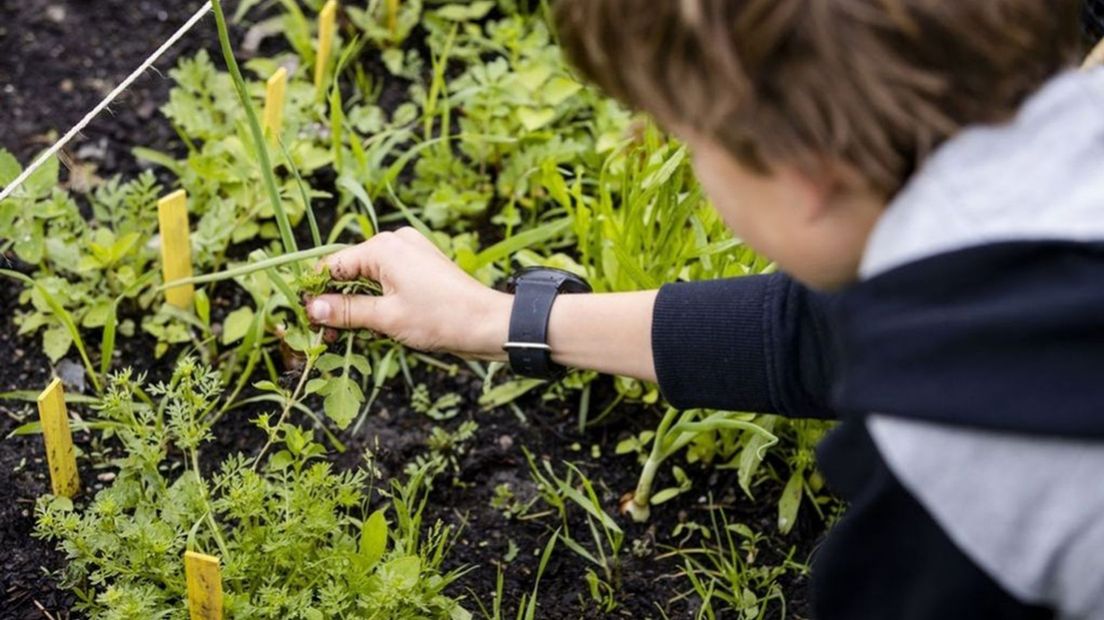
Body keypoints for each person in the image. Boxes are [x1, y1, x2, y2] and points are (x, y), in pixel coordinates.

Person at [305, 1, 1104, 617]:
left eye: (692, 139)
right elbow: (824, 333)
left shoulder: (963, 465)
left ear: (804, 172)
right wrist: (494, 319)